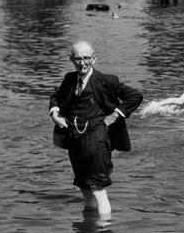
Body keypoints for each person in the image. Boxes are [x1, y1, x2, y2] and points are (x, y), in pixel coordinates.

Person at [49, 40, 143, 216]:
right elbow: (56, 96)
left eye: (86, 58)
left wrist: (115, 115)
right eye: (78, 59)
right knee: (84, 187)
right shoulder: (70, 79)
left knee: (98, 188)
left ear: (94, 59)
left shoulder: (106, 81)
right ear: (71, 59)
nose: (82, 63)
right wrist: (55, 114)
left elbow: (135, 96)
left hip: (98, 138)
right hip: (74, 138)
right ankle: (89, 226)